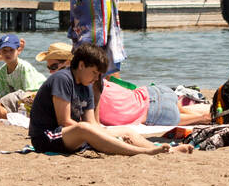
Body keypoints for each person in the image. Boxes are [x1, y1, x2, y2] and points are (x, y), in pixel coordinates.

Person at [28, 44, 188, 155]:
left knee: (126, 130)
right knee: (85, 129)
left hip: (73, 135)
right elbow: (65, 121)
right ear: (82, 65)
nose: (96, 78)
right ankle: (143, 152)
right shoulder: (62, 79)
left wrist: (105, 133)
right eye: (94, 72)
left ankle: (166, 150)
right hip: (47, 136)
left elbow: (92, 122)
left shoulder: (86, 85)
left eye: (99, 75)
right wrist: (99, 134)